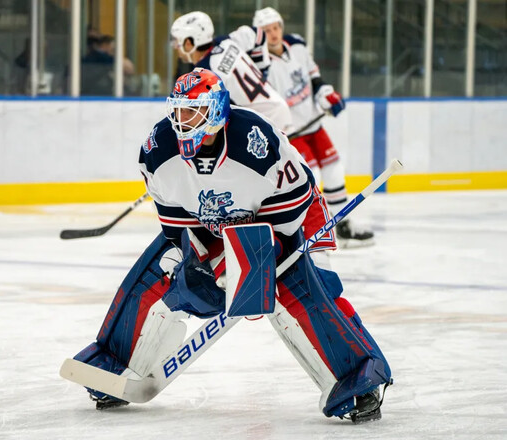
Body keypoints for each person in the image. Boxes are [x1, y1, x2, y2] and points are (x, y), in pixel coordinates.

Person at [72, 68, 392, 423]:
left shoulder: (256, 143)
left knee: (306, 290)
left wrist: (251, 265)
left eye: (192, 111)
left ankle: (356, 379)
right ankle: (113, 363)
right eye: (178, 111)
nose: (182, 121)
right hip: (210, 226)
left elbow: (291, 214)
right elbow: (177, 227)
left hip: (286, 218)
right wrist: (207, 263)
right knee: (161, 273)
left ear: (217, 111)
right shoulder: (158, 150)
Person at [252, 7, 374, 247]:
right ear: (260, 34)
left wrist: (327, 96)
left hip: (314, 125)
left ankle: (343, 226)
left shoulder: (297, 46)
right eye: (267, 31)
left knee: (334, 169)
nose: (274, 34)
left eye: (276, 28)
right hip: (290, 134)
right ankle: (309, 230)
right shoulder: (259, 65)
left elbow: (315, 79)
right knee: (309, 179)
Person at [170, 11, 294, 134]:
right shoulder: (226, 41)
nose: (176, 46)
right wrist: (262, 70)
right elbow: (258, 34)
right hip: (279, 109)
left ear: (189, 43)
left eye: (178, 41)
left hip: (265, 126)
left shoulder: (205, 75)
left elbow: (220, 117)